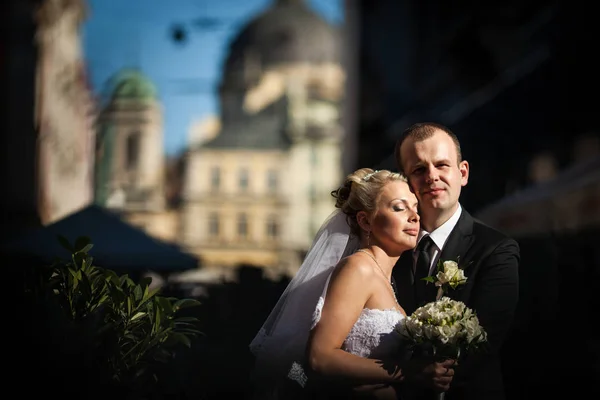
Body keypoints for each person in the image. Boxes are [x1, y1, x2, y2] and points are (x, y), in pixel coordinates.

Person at [249, 168, 455, 399]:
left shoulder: (385, 278)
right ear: (365, 221)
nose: (414, 216)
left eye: (415, 207)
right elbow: (321, 357)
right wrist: (409, 372)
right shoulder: (358, 269)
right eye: (399, 207)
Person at [392, 122, 520, 400]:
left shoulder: (496, 250)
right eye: (419, 169)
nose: (432, 177)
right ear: (405, 183)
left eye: (441, 165)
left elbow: (483, 343)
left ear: (462, 173)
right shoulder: (388, 250)